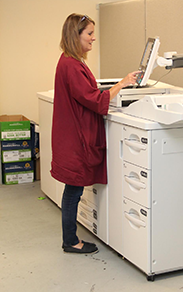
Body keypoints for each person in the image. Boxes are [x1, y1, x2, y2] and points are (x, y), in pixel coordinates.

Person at [51, 13, 139, 254]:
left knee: (73, 189)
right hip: (75, 139)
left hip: (71, 134)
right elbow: (92, 98)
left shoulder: (70, 61)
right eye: (89, 34)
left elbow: (88, 94)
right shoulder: (71, 65)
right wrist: (121, 84)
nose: (93, 38)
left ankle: (70, 238)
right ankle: (70, 241)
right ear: (75, 35)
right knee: (74, 190)